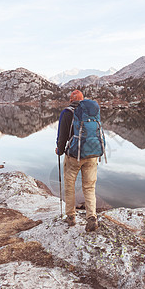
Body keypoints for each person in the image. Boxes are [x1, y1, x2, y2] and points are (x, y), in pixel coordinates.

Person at [56, 90, 99, 232]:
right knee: (89, 187)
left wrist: (60, 150)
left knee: (69, 185)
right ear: (83, 99)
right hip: (92, 154)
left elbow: (62, 136)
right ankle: (92, 217)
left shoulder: (67, 112)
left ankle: (71, 217)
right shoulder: (91, 111)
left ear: (70, 100)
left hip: (74, 156)